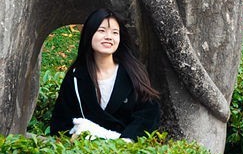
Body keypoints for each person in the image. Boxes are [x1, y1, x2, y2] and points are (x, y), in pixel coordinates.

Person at [48, 10, 161, 140]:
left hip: (127, 152)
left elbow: (148, 113)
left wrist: (125, 140)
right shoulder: (76, 77)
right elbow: (60, 123)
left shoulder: (133, 72)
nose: (109, 37)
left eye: (115, 32)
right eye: (102, 31)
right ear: (89, 34)